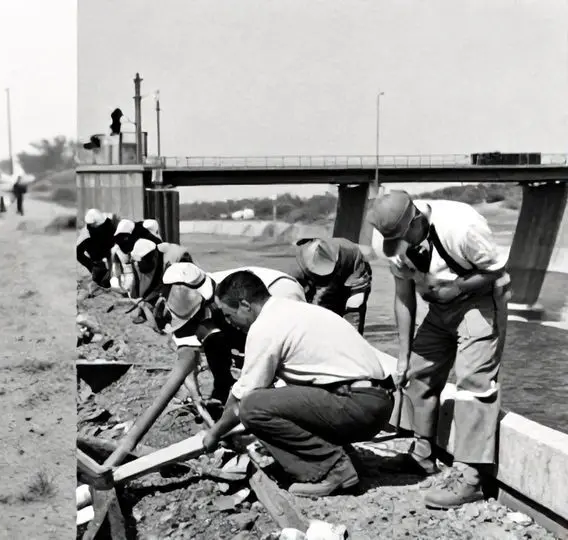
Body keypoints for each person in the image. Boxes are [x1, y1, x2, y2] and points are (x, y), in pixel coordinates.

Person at [366, 190, 510, 509]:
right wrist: (403, 356)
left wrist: (456, 287)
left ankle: (470, 479)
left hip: (480, 301)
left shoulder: (462, 226)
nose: (399, 246)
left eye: (403, 238)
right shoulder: (389, 242)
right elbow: (403, 296)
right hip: (439, 307)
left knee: (473, 384)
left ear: (416, 220)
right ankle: (422, 456)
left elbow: (496, 271)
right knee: (418, 375)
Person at [201, 270, 394, 498]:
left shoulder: (266, 326)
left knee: (252, 407)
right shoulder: (294, 310)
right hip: (377, 400)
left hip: (358, 404)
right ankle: (347, 459)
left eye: (229, 315)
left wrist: (215, 433)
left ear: (245, 305)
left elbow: (245, 395)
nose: (229, 323)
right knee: (283, 396)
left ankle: (332, 470)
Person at [155, 263, 306, 404]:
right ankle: (223, 388)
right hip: (245, 313)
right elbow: (187, 355)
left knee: (273, 359)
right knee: (212, 338)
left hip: (279, 292)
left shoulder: (280, 293)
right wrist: (196, 396)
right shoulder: (180, 302)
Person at [290, 237, 373, 323]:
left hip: (348, 280)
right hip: (313, 287)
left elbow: (357, 294)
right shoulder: (297, 267)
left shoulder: (351, 254)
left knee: (354, 307)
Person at [76, 208, 119, 286]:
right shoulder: (91, 228)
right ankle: (99, 271)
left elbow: (112, 244)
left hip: (104, 250)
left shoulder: (107, 225)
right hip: (98, 253)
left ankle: (103, 274)